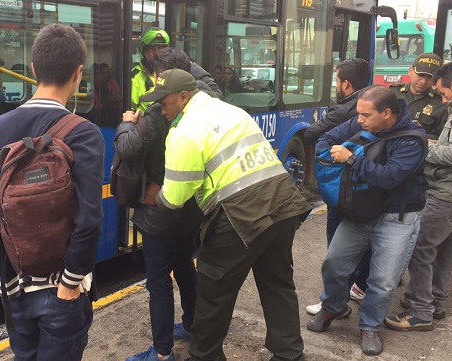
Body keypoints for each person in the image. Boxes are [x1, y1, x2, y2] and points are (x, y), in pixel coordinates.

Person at [144, 68, 312, 361]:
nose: (161, 109)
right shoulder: (230, 110)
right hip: (283, 202)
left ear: (184, 96)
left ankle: (204, 356)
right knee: (278, 283)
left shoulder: (183, 133)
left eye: (164, 102)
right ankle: (289, 354)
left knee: (213, 293)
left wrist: (153, 197)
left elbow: (174, 198)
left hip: (239, 215)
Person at [0, 24, 104, 361]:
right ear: (79, 74)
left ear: (33, 70)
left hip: (13, 286)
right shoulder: (85, 133)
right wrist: (70, 285)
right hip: (61, 287)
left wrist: (4, 278)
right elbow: (89, 220)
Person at [307, 85, 428, 356]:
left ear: (387, 113)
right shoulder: (362, 120)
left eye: (365, 115)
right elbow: (326, 139)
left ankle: (370, 325)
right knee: (334, 264)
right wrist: (332, 156)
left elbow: (389, 177)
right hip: (358, 213)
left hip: (396, 218)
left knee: (383, 281)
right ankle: (334, 307)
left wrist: (350, 159)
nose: (358, 120)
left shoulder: (413, 138)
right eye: (358, 114)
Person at [118, 48, 220, 361]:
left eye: (159, 75)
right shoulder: (204, 103)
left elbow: (129, 146)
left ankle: (162, 354)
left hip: (158, 207)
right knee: (186, 270)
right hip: (188, 204)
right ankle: (191, 325)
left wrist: (125, 123)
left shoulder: (156, 110)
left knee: (159, 281)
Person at [384, 62, 452, 331]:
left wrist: (426, 148)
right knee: (443, 249)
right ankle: (435, 301)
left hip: (444, 193)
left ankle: (420, 311)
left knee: (420, 249)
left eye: (445, 93)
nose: (444, 100)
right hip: (445, 190)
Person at [304, 58, 372, 315]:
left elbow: (315, 135)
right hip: (364, 191)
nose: (362, 119)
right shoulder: (373, 103)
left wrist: (337, 156)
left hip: (345, 188)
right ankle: (357, 287)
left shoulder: (345, 111)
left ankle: (334, 303)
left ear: (345, 83)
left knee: (338, 250)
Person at [389, 53, 447, 139]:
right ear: (410, 71)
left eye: (430, 77)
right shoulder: (392, 93)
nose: (423, 81)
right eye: (420, 75)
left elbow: (442, 138)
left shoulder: (441, 103)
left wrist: (418, 134)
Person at [131, 28, 170, 113]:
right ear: (144, 51)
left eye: (160, 48)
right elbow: (131, 112)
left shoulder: (172, 73)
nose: (156, 52)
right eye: (151, 48)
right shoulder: (135, 76)